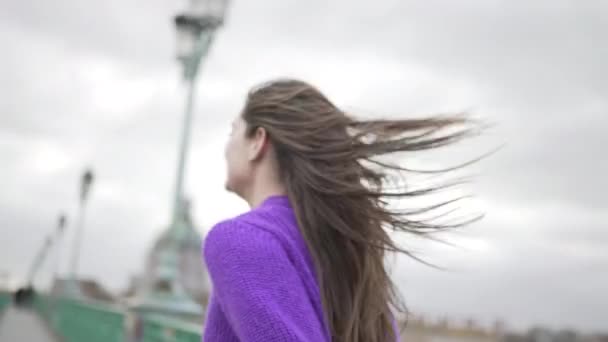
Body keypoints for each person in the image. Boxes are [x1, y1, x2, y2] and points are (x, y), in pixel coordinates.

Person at [202, 79, 478, 342]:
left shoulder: (239, 240)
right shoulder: (349, 249)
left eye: (233, 131)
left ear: (257, 141)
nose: (226, 148)